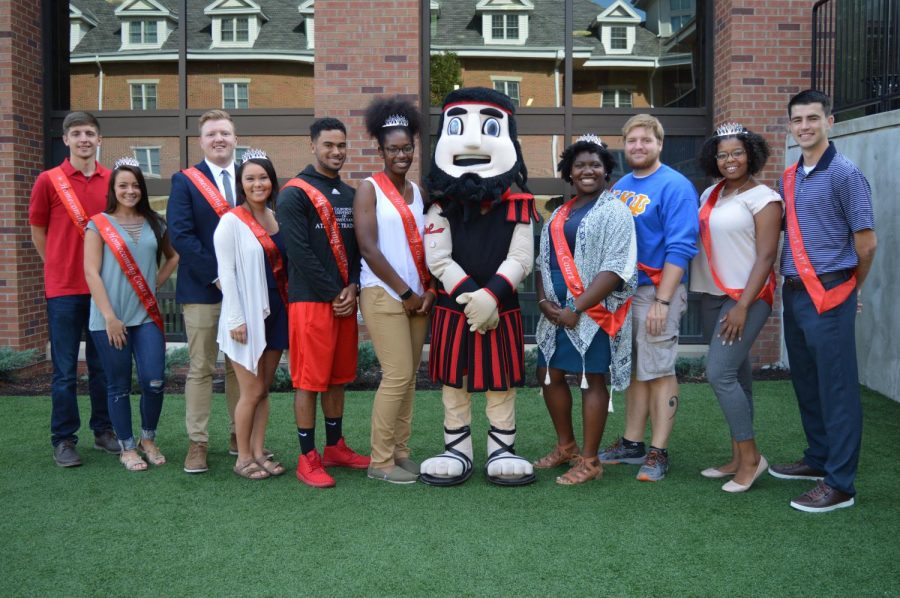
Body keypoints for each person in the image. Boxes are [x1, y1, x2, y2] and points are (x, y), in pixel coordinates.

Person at [420, 87, 537, 487]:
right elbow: (438, 258)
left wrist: (491, 297)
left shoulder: (520, 203)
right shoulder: (440, 205)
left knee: (500, 382)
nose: (472, 140)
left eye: (489, 126)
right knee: (457, 381)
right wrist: (473, 298)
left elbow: (522, 258)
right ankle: (457, 448)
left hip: (500, 307)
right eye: (458, 126)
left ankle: (502, 448)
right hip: (456, 309)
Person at [768, 90, 877, 512]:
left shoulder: (846, 174)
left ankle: (841, 484)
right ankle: (818, 460)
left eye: (813, 118)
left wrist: (854, 289)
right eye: (798, 120)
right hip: (794, 293)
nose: (805, 127)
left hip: (830, 292)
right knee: (807, 382)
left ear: (829, 121)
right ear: (791, 126)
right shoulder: (790, 175)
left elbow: (866, 245)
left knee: (837, 390)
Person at [600, 114, 699, 482]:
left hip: (656, 291)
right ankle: (631, 443)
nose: (638, 146)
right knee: (636, 369)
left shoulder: (676, 186)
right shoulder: (622, 185)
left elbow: (681, 246)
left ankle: (658, 451)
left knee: (659, 370)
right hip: (625, 292)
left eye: (646, 140)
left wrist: (664, 300)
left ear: (660, 144)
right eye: (632, 141)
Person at [534, 135, 636, 485]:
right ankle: (566, 447)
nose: (587, 170)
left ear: (606, 170)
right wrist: (544, 302)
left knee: (592, 379)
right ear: (569, 172)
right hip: (556, 314)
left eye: (595, 164)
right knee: (550, 374)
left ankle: (590, 461)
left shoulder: (616, 211)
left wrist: (576, 306)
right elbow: (541, 262)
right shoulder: (560, 213)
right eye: (580, 165)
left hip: (593, 312)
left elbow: (617, 267)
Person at [275, 118, 370, 488]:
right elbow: (298, 253)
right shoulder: (294, 193)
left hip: (345, 300)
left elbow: (360, 249)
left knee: (337, 379)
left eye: (341, 145)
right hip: (311, 303)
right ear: (312, 145)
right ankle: (307, 457)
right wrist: (335, 292)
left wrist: (355, 286)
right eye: (329, 145)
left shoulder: (350, 194)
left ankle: (335, 448)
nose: (336, 151)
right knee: (309, 382)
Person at [690, 123, 782, 492]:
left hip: (746, 298)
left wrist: (743, 305)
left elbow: (766, 256)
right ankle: (736, 456)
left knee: (719, 374)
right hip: (712, 294)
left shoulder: (764, 198)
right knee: (739, 378)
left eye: (737, 153)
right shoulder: (711, 193)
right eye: (723, 154)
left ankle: (751, 459)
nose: (730, 160)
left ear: (751, 155)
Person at [29, 111, 120, 467]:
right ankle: (64, 439)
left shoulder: (113, 180)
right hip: (64, 288)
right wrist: (56, 263)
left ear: (99, 140)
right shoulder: (48, 181)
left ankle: (104, 431)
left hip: (103, 289)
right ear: (66, 140)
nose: (84, 139)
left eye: (90, 133)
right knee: (65, 370)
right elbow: (39, 230)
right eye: (77, 133)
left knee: (102, 366)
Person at [354, 97, 435, 484]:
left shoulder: (418, 192)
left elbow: (428, 244)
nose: (401, 155)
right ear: (381, 150)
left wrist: (428, 290)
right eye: (393, 149)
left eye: (407, 148)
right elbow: (368, 247)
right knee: (397, 375)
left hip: (419, 298)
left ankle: (401, 451)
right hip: (385, 294)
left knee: (410, 378)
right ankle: (380, 461)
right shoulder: (369, 189)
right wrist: (406, 293)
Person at [83, 158, 179, 471]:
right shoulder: (98, 223)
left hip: (146, 316)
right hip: (110, 320)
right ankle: (126, 446)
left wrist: (153, 284)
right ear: (113, 189)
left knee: (154, 379)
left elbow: (173, 255)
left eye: (135, 185)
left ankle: (147, 439)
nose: (130, 190)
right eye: (123, 185)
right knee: (118, 385)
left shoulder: (156, 222)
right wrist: (110, 317)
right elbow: (91, 273)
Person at [166, 109, 245, 474]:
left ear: (234, 138)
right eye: (212, 133)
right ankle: (197, 442)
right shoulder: (185, 181)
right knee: (201, 367)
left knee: (238, 367)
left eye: (225, 133)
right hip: (203, 289)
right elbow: (181, 234)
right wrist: (218, 275)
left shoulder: (248, 177)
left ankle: (238, 435)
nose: (219, 139)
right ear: (201, 141)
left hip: (244, 291)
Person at [213, 150, 288, 480]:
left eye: (263, 177)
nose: (258, 184)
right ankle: (242, 457)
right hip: (245, 315)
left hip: (277, 310)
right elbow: (225, 274)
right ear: (241, 185)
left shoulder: (277, 218)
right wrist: (234, 318)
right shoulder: (231, 221)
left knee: (264, 389)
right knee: (252, 391)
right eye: (250, 178)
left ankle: (259, 452)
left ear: (272, 181)